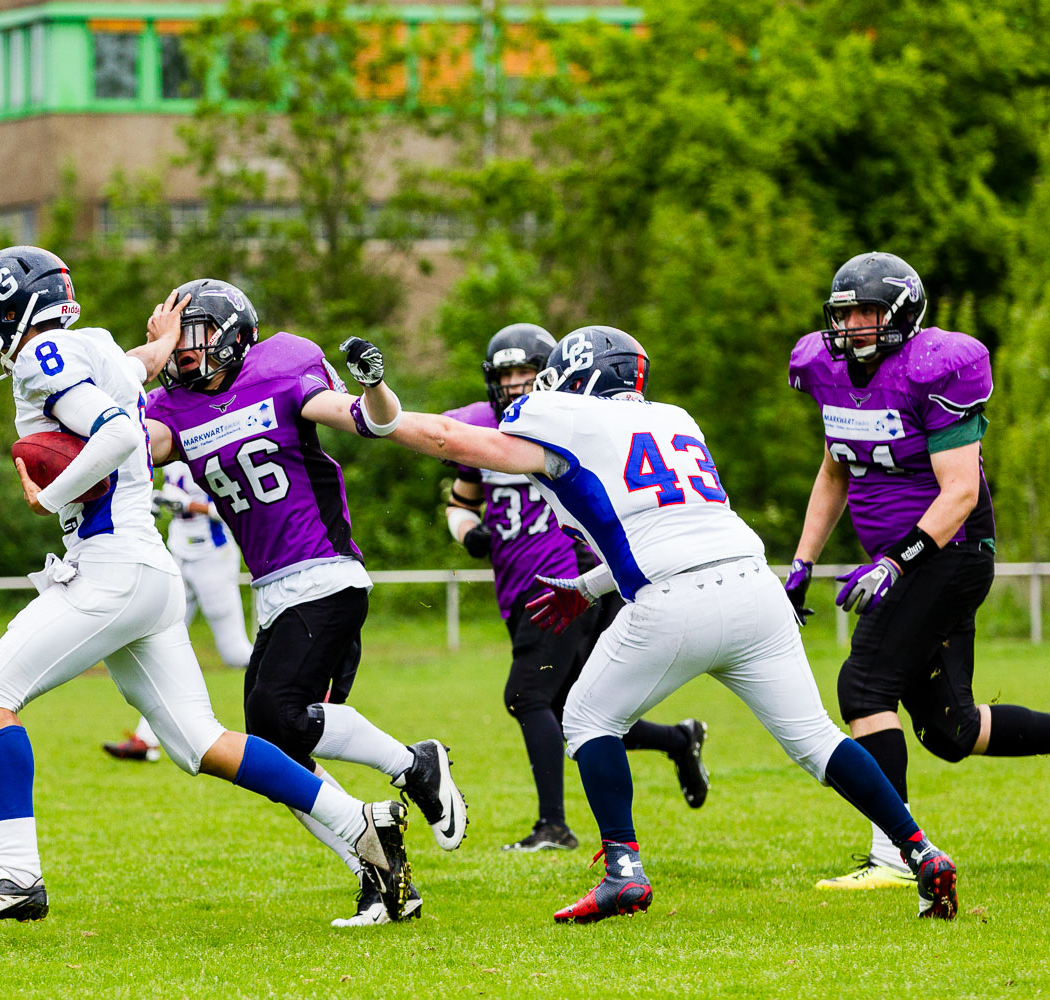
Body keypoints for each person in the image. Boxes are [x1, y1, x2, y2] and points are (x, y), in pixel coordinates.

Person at [380, 324, 958, 922]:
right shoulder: (675, 419)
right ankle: (920, 851)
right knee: (816, 740)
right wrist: (587, 585)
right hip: (755, 587)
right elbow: (674, 528)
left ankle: (623, 872)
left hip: (674, 600)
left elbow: (449, 436)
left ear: (583, 376)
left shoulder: (567, 419)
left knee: (585, 719)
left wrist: (369, 411)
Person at [0, 248, 411, 924]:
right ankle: (359, 821)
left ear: (20, 309)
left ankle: (17, 875)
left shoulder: (42, 358)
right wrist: (156, 348)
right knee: (198, 743)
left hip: (110, 569)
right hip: (148, 573)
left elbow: (121, 430)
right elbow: (131, 375)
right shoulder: (90, 347)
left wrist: (51, 495)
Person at [143, 278, 465, 927]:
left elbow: (366, 420)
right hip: (271, 588)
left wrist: (375, 385)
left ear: (233, 336)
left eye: (195, 338)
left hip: (325, 571)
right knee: (274, 754)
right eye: (176, 343)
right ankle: (380, 871)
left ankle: (411, 763)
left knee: (273, 713)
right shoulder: (172, 407)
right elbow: (124, 448)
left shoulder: (282, 366)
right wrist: (136, 362)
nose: (185, 353)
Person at [786, 251, 1050, 890]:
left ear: (901, 314)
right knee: (950, 728)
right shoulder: (828, 370)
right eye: (844, 313)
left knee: (864, 689)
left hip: (949, 553)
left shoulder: (936, 368)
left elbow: (959, 492)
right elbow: (835, 469)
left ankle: (893, 856)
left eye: (867, 312)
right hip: (904, 563)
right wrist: (803, 559)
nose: (852, 326)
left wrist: (896, 563)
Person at [444, 323, 708, 852]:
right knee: (579, 711)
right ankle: (679, 739)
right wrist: (469, 533)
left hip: (570, 580)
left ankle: (553, 826)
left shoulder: (573, 424)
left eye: (526, 372)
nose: (516, 383)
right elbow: (461, 500)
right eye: (506, 374)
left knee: (527, 696)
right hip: (519, 582)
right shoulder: (478, 427)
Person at [103, 461, 253, 763]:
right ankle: (146, 740)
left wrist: (191, 505)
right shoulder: (169, 433)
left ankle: (308, 683)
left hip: (213, 555)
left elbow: (239, 506)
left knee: (236, 652)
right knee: (158, 644)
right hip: (176, 553)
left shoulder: (213, 438)